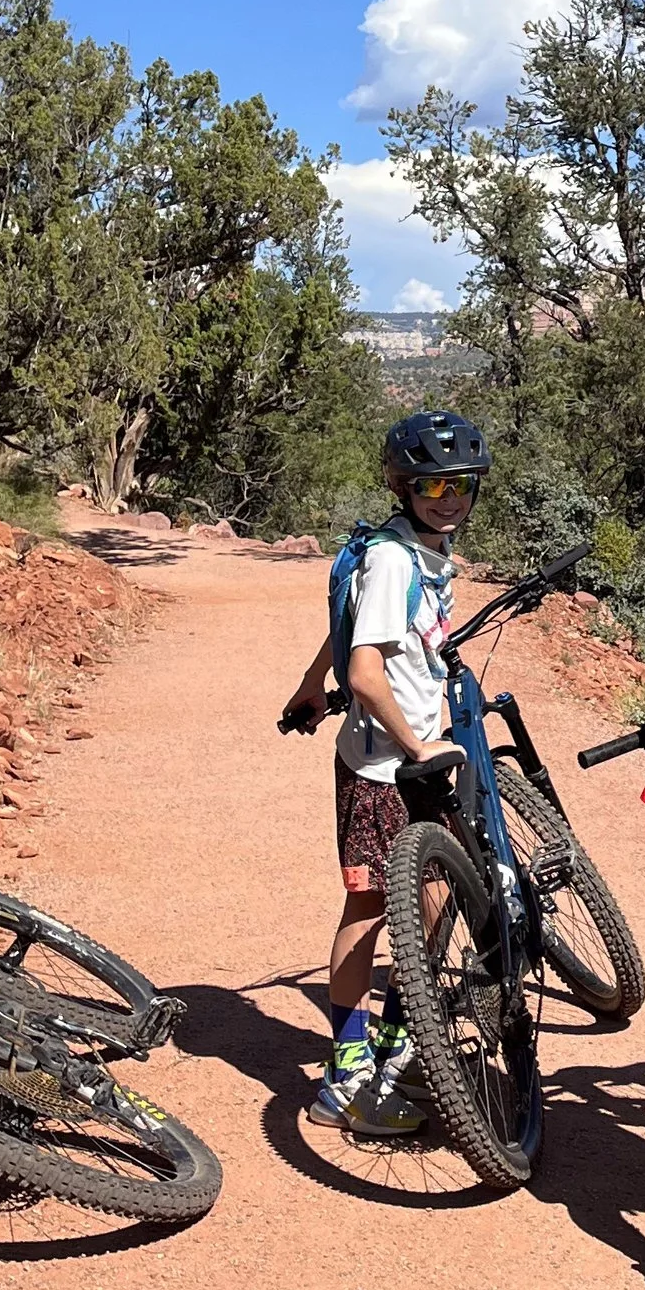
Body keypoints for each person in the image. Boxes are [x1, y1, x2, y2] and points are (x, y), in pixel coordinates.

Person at [277, 408, 488, 1136]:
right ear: (402, 487)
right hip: (383, 768)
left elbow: (352, 635)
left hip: (415, 758)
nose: (448, 497)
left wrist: (310, 683)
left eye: (459, 484)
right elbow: (366, 670)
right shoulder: (396, 557)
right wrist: (416, 744)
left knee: (429, 899)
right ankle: (343, 1076)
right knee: (369, 911)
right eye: (431, 486)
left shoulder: (425, 551)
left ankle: (400, 1038)